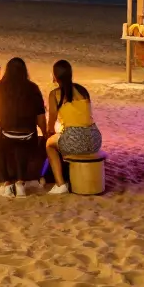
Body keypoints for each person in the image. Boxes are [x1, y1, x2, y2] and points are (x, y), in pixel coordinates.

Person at [0, 58, 47, 198]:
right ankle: (20, 184)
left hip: (6, 135)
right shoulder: (33, 88)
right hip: (28, 135)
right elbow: (41, 117)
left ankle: (7, 183)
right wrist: (44, 134)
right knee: (21, 144)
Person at [44, 60, 103, 195]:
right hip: (94, 138)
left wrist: (49, 133)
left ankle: (60, 184)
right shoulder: (83, 90)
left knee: (49, 145)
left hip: (74, 139)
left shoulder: (55, 94)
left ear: (55, 76)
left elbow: (51, 122)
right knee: (62, 137)